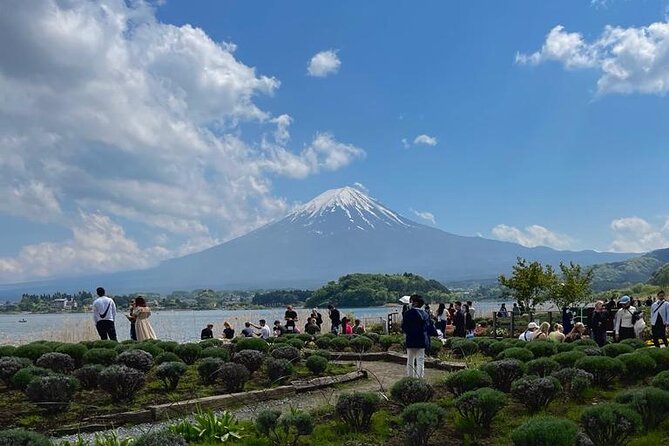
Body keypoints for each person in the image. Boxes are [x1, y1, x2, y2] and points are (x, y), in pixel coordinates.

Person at [401, 294, 437, 378]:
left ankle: (410, 377)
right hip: (422, 339)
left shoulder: (408, 313)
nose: (410, 303)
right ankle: (419, 378)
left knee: (410, 360)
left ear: (415, 303)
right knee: (420, 360)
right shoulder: (425, 314)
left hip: (411, 339)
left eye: (411, 301)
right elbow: (429, 327)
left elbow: (404, 326)